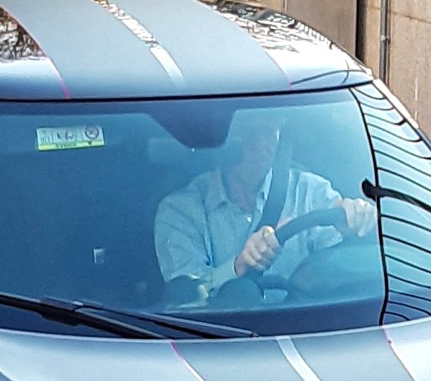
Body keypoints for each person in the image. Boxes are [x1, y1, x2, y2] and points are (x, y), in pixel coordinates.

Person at [153, 112, 376, 294]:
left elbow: (337, 270)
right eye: (248, 132)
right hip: (218, 339)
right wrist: (240, 265)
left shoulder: (310, 191)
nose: (259, 144)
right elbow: (187, 299)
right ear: (224, 141)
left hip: (309, 328)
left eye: (268, 131)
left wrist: (355, 223)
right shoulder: (179, 210)